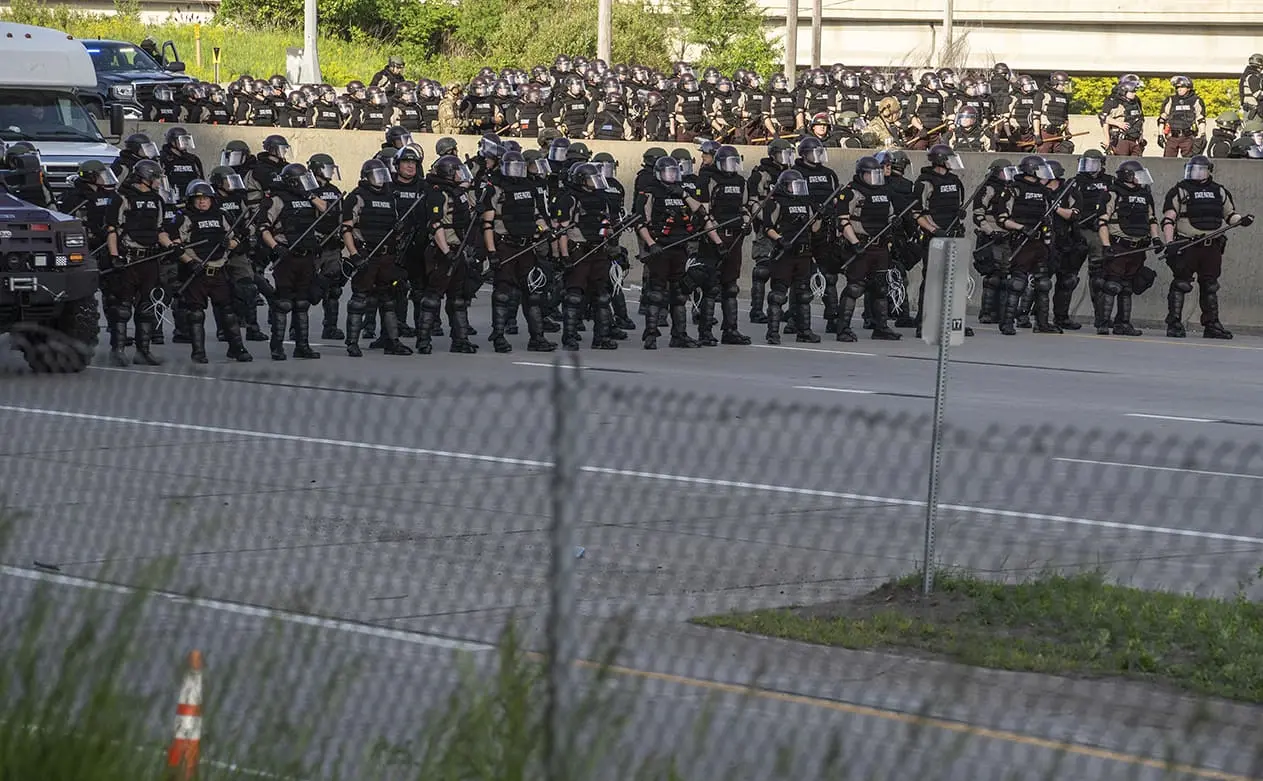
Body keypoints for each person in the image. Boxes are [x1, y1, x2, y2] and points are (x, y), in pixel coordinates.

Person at [159, 180, 253, 363]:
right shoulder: (184, 217)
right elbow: (174, 241)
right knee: (195, 313)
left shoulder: (222, 216)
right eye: (198, 199)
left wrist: (230, 244)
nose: (202, 202)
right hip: (196, 271)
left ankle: (237, 348)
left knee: (228, 311)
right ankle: (199, 352)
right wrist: (189, 261)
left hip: (218, 269)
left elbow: (238, 239)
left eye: (206, 199)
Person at [1161, 155, 1254, 339]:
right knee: (1181, 283)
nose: (1195, 173)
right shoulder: (1179, 190)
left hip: (1211, 246)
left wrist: (1241, 220)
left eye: (1199, 169)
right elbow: (1169, 218)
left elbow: (1230, 215)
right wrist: (1170, 243)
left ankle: (1212, 324)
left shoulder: (1219, 191)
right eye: (1192, 169)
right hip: (1187, 244)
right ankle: (1174, 323)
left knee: (1210, 285)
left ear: (1208, 170)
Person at [635, 155, 722, 349]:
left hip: (680, 247)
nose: (671, 176)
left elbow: (700, 211)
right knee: (657, 293)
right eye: (668, 172)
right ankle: (650, 335)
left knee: (679, 294)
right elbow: (640, 222)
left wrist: (683, 194)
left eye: (674, 172)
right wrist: (650, 244)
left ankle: (679, 335)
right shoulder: (650, 193)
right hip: (660, 248)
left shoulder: (681, 192)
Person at [481, 150, 556, 353]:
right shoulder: (495, 189)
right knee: (503, 293)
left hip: (526, 246)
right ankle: (498, 336)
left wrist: (546, 231)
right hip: (505, 244)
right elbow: (487, 223)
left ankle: (537, 338)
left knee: (532, 293)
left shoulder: (529, 187)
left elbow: (536, 214)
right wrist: (492, 252)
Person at [255, 162, 330, 360]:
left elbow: (326, 210)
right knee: (284, 303)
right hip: (287, 256)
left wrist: (310, 195)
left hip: (307, 257)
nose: (308, 184)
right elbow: (263, 227)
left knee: (302, 303)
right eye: (303, 181)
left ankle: (302, 346)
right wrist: (276, 248)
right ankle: (277, 346)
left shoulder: (310, 198)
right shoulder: (278, 200)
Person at [103, 159, 173, 366]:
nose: (160, 182)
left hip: (150, 259)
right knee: (122, 307)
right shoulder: (121, 198)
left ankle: (143, 351)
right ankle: (118, 350)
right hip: (128, 259)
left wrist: (171, 246)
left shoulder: (157, 200)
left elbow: (160, 230)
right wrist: (114, 256)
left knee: (147, 307)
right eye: (157, 178)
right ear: (146, 178)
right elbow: (112, 230)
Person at [995, 155, 1075, 335]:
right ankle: (1007, 322)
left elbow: (1048, 217)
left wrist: (1048, 240)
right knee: (1017, 283)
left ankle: (1042, 323)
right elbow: (1002, 218)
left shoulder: (1044, 192)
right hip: (1020, 240)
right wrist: (1021, 228)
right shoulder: (1013, 189)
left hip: (1039, 242)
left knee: (1044, 283)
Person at [340, 158, 411, 356]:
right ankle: (352, 342)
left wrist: (399, 229)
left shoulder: (391, 197)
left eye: (383, 175)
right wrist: (354, 255)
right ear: (366, 177)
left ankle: (392, 341)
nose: (381, 180)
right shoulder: (357, 197)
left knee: (388, 298)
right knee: (359, 299)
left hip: (387, 255)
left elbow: (396, 224)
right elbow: (346, 228)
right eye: (376, 175)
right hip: (366, 252)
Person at [416, 155, 478, 354]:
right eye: (458, 170)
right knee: (433, 297)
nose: (462, 174)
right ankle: (423, 340)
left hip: (459, 250)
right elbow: (436, 225)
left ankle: (460, 340)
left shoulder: (457, 192)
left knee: (458, 298)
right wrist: (445, 252)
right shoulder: (438, 194)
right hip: (443, 251)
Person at [834, 156, 901, 341]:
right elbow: (842, 221)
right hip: (861, 244)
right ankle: (843, 328)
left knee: (881, 287)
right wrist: (854, 243)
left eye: (877, 174)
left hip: (879, 245)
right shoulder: (851, 193)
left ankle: (881, 327)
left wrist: (893, 221)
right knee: (855, 288)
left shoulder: (884, 192)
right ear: (862, 175)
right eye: (871, 175)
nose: (875, 178)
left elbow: (889, 213)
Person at [553, 162, 619, 350]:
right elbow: (562, 230)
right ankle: (570, 337)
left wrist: (613, 246)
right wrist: (564, 256)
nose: (595, 182)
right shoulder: (569, 198)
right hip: (579, 249)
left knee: (602, 296)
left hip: (599, 250)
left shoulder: (601, 198)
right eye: (591, 179)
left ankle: (601, 337)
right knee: (574, 296)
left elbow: (607, 225)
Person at [1097, 160, 1162, 337]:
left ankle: (1123, 324)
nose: (1140, 179)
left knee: (1127, 287)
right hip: (1119, 244)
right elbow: (1103, 220)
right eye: (1137, 175)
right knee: (1112, 285)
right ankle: (1103, 323)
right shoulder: (1113, 193)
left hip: (1138, 246)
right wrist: (1106, 245)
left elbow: (1152, 219)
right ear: (1128, 176)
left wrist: (1156, 239)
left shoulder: (1145, 195)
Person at [694, 145, 751, 346]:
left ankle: (730, 330)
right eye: (728, 162)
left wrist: (746, 221)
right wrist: (716, 240)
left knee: (731, 286)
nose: (731, 166)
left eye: (734, 162)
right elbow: (704, 212)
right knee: (710, 286)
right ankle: (705, 331)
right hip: (714, 236)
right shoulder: (709, 180)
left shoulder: (740, 181)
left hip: (735, 237)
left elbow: (743, 207)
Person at [911, 144, 967, 333]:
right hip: (935, 235)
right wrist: (934, 230)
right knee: (932, 281)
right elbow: (917, 213)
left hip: (953, 233)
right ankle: (924, 322)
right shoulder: (924, 182)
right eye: (949, 159)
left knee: (954, 280)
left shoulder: (955, 180)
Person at [760, 170, 820, 344]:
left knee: (803, 295)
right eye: (792, 186)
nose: (796, 189)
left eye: (799, 186)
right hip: (785, 253)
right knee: (778, 295)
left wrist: (820, 216)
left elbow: (814, 229)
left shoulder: (805, 203)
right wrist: (780, 239)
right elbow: (767, 227)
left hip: (803, 253)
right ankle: (772, 332)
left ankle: (804, 331)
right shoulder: (775, 203)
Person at [746, 139, 793, 324]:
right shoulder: (761, 174)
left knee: (783, 270)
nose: (786, 158)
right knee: (762, 270)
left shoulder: (790, 173)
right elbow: (752, 201)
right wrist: (766, 220)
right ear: (773, 154)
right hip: (766, 226)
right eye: (783, 154)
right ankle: (756, 310)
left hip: (786, 226)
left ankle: (778, 308)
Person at [306, 154, 346, 341]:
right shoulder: (307, 190)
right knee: (305, 286)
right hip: (314, 245)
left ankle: (330, 327)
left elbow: (341, 214)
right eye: (326, 168)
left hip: (332, 244)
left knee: (334, 287)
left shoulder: (335, 190)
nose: (330, 172)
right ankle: (297, 327)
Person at [1157, 76, 1207, 158]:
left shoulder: (1196, 100)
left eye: (1182, 87)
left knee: (1189, 161)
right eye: (1177, 87)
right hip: (1172, 136)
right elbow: (1162, 118)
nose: (1179, 89)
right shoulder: (1171, 100)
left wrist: (1202, 134)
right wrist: (1160, 134)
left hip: (1188, 137)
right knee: (1167, 162)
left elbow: (1200, 118)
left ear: (1188, 88)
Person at [1101, 76, 1146, 156]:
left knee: (1136, 165)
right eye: (1132, 91)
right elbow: (1103, 118)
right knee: (1121, 164)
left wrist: (1141, 137)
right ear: (1124, 90)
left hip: (1135, 140)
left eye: (1135, 91)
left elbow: (1140, 119)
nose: (1134, 93)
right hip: (1121, 140)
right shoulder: (1113, 101)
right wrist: (1118, 124)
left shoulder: (1136, 101)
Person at [1239, 53, 1263, 120]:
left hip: (1251, 112)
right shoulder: (1253, 77)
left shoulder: (1246, 75)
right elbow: (1259, 95)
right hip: (1255, 115)